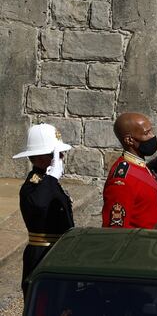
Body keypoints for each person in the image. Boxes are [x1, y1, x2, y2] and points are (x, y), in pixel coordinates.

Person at [13, 123, 75, 299]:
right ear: (40, 159)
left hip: (58, 252)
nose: (62, 157)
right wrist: (52, 177)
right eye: (56, 154)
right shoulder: (34, 185)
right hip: (42, 254)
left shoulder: (48, 182)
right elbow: (39, 204)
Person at [102, 112, 157, 229]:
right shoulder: (121, 181)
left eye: (151, 131)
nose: (152, 136)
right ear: (129, 140)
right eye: (146, 133)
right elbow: (116, 230)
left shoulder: (140, 165)